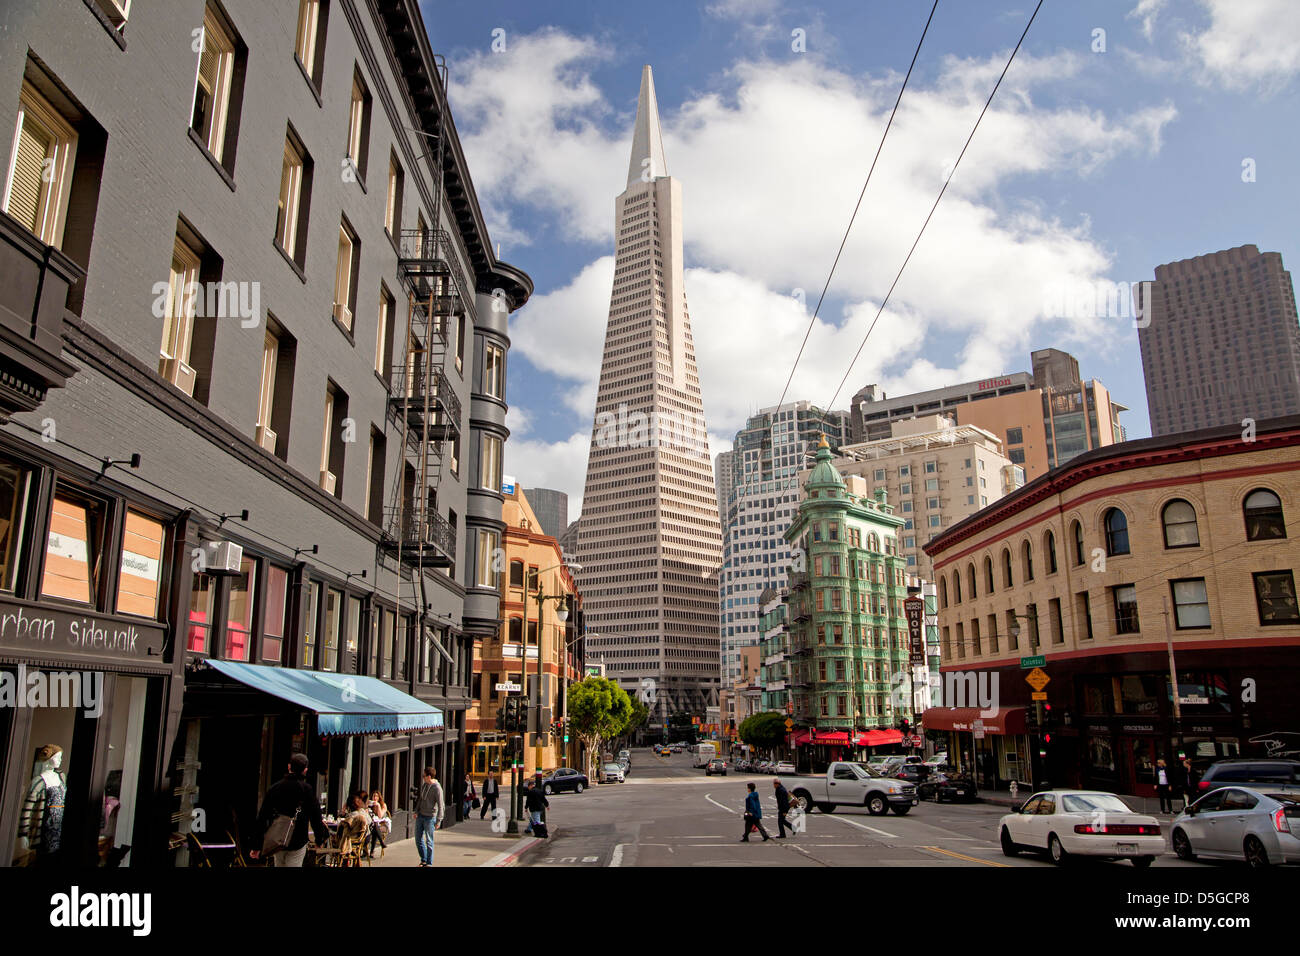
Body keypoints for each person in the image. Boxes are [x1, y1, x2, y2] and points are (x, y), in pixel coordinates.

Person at [251, 753, 330, 867]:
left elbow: (262, 817)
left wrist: (257, 845)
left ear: (289, 767)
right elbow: (316, 817)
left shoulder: (275, 788)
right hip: (298, 838)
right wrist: (319, 839)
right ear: (305, 770)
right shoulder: (307, 790)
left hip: (278, 838)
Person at [414, 767, 444, 867]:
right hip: (421, 815)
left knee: (429, 841)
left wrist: (439, 821)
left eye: (424, 776)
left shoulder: (437, 788)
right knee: (418, 839)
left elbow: (441, 805)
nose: (423, 778)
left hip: (430, 817)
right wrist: (416, 811)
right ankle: (424, 859)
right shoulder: (425, 785)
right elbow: (420, 799)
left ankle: (429, 863)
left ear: (429, 776)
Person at [367, 791, 390, 858]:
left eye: (376, 796)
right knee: (375, 826)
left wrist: (378, 806)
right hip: (373, 825)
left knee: (375, 826)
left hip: (382, 825)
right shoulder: (371, 805)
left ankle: (371, 851)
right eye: (373, 796)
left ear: (379, 797)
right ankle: (381, 844)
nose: (375, 798)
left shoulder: (383, 805)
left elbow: (380, 816)